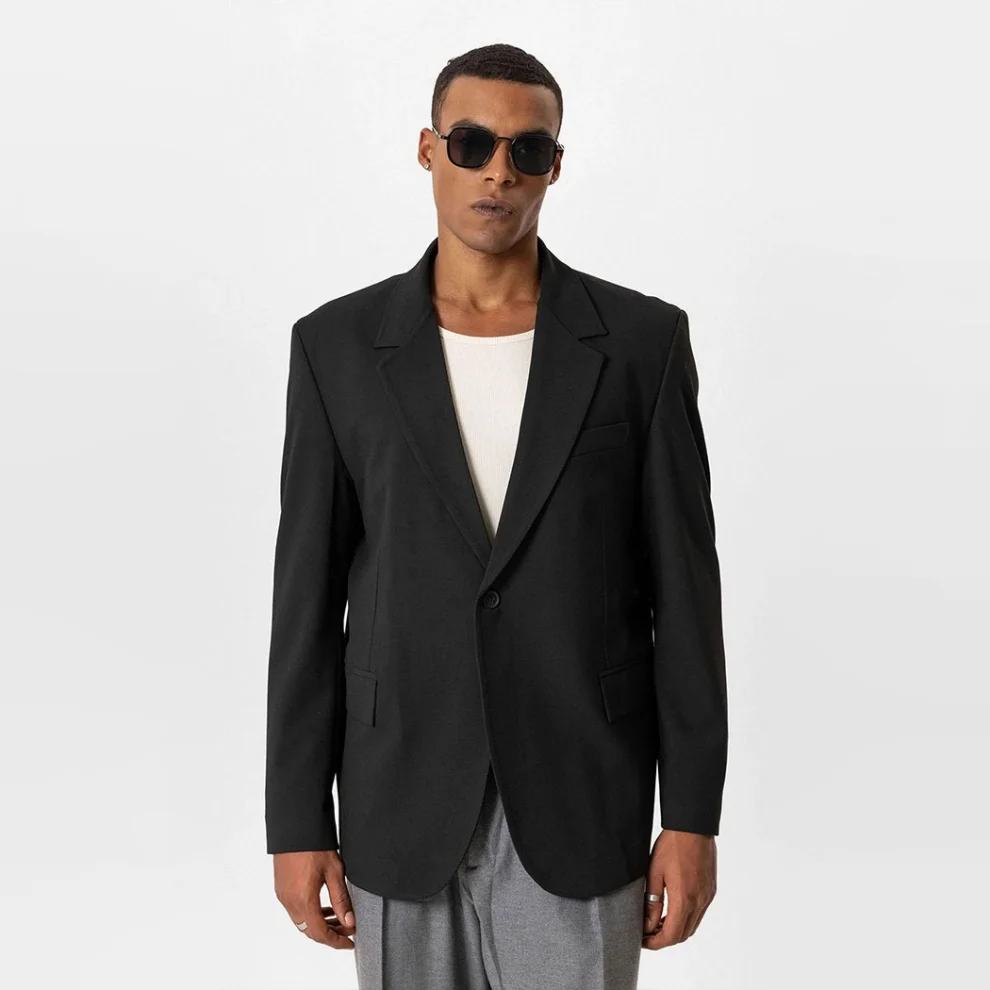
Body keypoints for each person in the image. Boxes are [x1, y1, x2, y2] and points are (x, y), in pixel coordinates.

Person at [265, 43, 728, 990]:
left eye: (529, 150)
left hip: (582, 793)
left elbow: (685, 598)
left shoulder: (641, 344)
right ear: (428, 149)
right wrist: (296, 820)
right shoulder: (336, 347)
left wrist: (691, 817)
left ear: (556, 165)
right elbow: (305, 601)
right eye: (472, 143)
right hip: (399, 794)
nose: (498, 172)